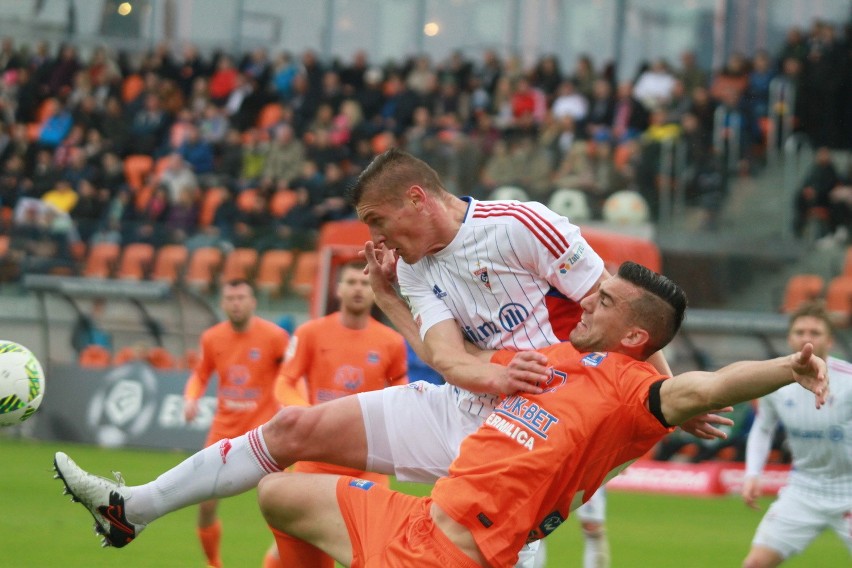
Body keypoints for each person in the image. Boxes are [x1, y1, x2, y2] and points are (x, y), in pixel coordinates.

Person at [53, 150, 726, 567]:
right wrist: (398, 303)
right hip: (465, 407)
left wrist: (669, 402)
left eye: (378, 221)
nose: (374, 237)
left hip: (533, 440)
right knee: (293, 432)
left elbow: (626, 316)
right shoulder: (410, 270)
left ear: (417, 199)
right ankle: (131, 508)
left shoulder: (523, 225)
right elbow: (446, 357)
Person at [255, 261, 829, 567]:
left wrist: (790, 365)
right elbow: (449, 358)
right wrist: (389, 302)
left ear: (633, 334)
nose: (586, 301)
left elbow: (713, 385)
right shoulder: (549, 360)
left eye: (602, 301)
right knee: (277, 495)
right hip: (417, 519)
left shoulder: (635, 392)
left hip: (455, 553)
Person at [265, 261, 409, 568]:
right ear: (338, 289)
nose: (358, 288)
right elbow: (284, 381)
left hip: (367, 462)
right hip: (315, 460)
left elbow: (401, 393)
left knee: (379, 549)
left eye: (364, 283)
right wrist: (305, 415)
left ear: (373, 292)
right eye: (351, 282)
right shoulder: (310, 333)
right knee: (295, 551)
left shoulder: (391, 341)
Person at [181, 279, 290, 568]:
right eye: (230, 298)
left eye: (241, 297)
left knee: (285, 508)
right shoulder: (212, 338)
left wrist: (291, 404)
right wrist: (191, 398)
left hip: (265, 435)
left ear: (253, 302)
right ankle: (213, 563)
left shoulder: (275, 337)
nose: (236, 303)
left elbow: (290, 376)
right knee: (205, 505)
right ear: (222, 304)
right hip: (223, 433)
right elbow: (200, 374)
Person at [741, 301, 852, 567]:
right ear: (790, 337)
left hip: (849, 490)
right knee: (754, 564)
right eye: (800, 332)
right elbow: (763, 427)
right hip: (804, 490)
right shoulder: (774, 382)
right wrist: (752, 474)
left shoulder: (849, 380)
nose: (806, 338)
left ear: (830, 340)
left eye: (815, 333)